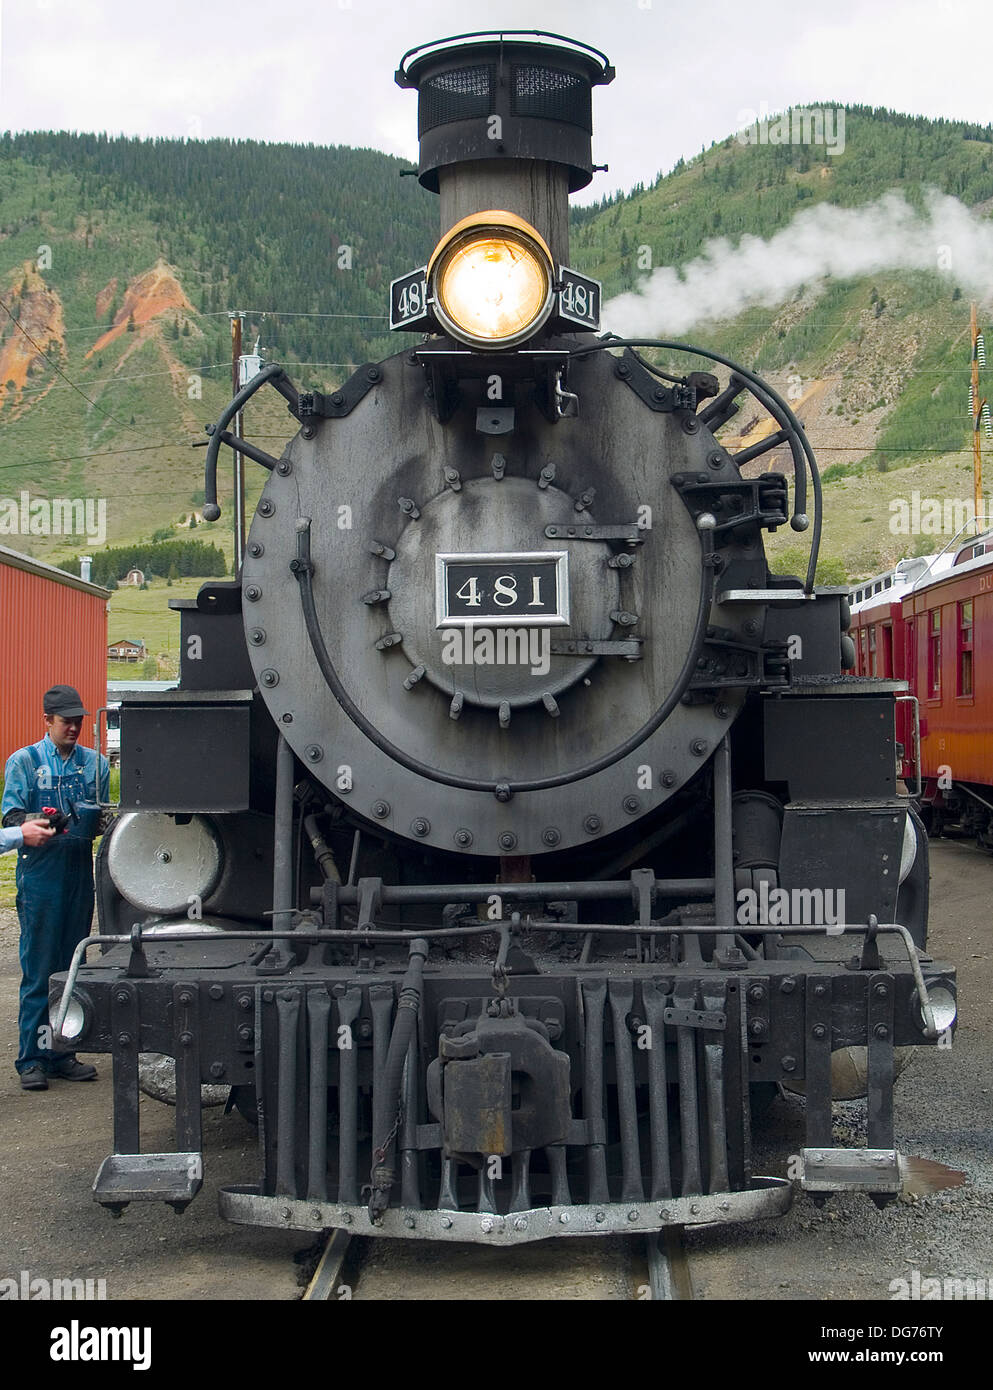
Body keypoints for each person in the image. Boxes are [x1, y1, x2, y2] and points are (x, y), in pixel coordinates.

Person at [2, 685, 109, 1092]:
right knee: (39, 968)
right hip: (41, 876)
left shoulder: (95, 764)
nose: (74, 728)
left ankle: (62, 1051)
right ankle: (32, 1057)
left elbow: (102, 817)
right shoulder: (24, 762)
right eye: (66, 721)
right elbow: (11, 816)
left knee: (71, 966)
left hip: (77, 873)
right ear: (47, 721)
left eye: (79, 721)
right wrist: (41, 822)